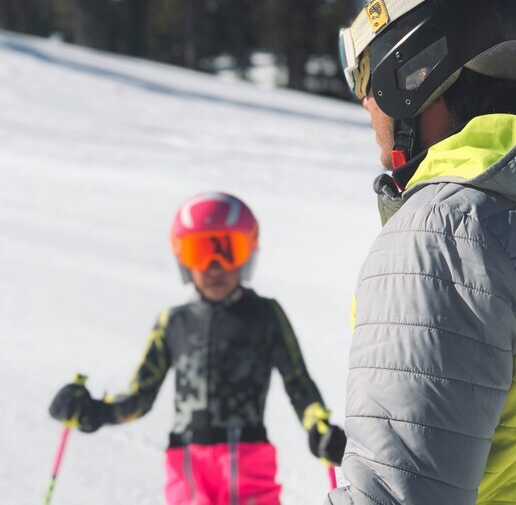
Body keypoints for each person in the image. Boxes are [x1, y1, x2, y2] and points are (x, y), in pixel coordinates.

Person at [328, 0, 516, 503]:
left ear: (409, 65)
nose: (366, 102)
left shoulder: (445, 234)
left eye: (364, 73)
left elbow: (393, 494)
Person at [48, 191, 346, 505]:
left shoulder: (265, 315)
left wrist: (318, 428)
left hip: (249, 462)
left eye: (227, 251)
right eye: (199, 252)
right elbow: (140, 395)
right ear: (182, 258)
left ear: (247, 253)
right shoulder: (173, 322)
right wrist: (95, 411)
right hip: (188, 464)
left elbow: (298, 382)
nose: (214, 266)